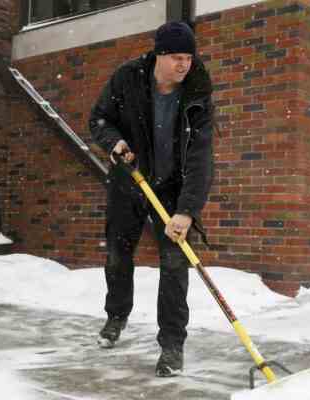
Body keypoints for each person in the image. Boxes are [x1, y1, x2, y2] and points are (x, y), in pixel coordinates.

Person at [88, 21, 214, 378]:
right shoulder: (128, 78)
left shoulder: (198, 91)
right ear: (159, 55)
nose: (184, 64)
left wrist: (187, 211)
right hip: (130, 180)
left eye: (188, 57)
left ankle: (172, 344)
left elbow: (201, 157)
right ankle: (116, 316)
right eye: (176, 57)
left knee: (175, 264)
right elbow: (98, 119)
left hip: (173, 189)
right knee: (117, 252)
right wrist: (114, 142)